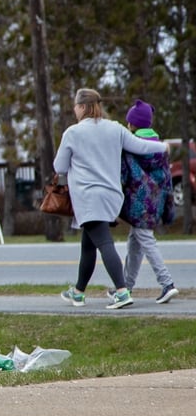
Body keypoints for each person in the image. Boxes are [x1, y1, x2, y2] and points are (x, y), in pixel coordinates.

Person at [53, 88, 168, 309]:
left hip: (88, 197)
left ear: (84, 107)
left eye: (76, 106)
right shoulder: (114, 128)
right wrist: (162, 147)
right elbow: (140, 146)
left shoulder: (72, 133)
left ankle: (122, 292)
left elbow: (59, 166)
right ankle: (78, 292)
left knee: (104, 242)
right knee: (89, 245)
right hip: (111, 196)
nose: (74, 110)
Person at [114, 99, 178, 303]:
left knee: (146, 242)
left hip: (138, 203)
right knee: (135, 243)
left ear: (133, 124)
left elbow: (124, 175)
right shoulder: (160, 147)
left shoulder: (132, 148)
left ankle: (167, 283)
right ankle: (126, 286)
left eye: (128, 122)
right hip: (155, 201)